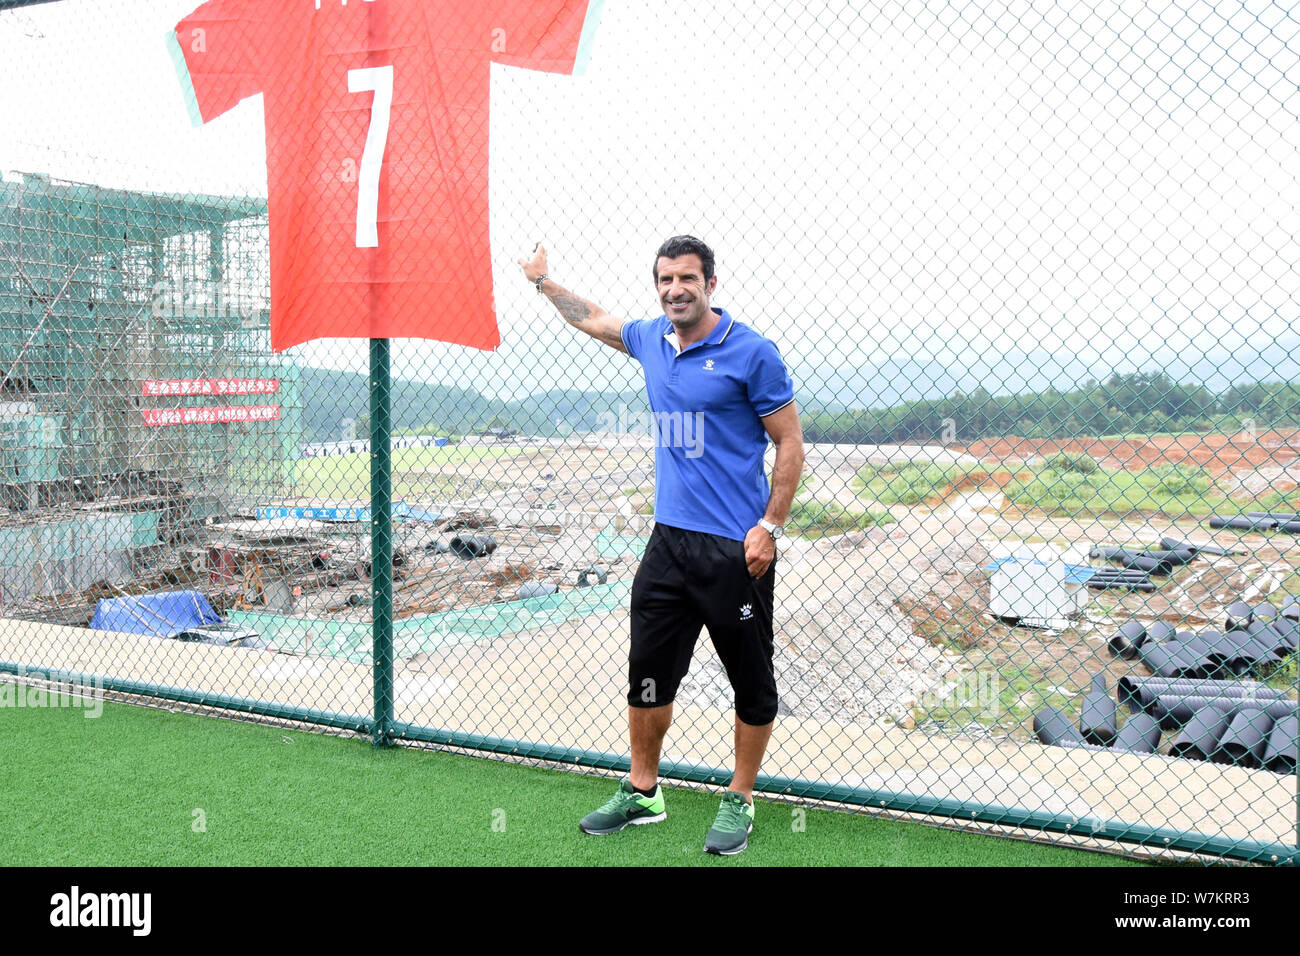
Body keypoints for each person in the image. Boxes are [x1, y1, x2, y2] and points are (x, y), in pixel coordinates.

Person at [518, 235, 804, 855]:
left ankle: (741, 797)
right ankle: (644, 789)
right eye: (665, 280)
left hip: (734, 548)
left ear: (711, 283)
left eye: (687, 279)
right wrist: (543, 283)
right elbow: (592, 318)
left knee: (751, 681)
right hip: (667, 545)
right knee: (647, 675)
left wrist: (770, 526)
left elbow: (789, 443)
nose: (676, 289)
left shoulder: (751, 353)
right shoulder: (652, 339)